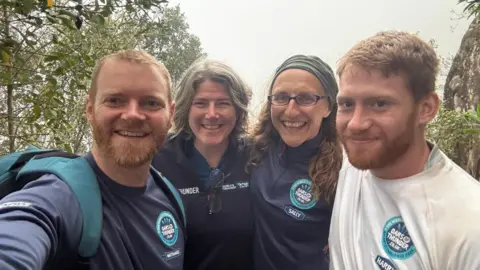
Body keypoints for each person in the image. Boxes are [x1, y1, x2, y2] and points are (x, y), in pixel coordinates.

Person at [0, 50, 185, 269]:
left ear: (171, 114)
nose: (133, 114)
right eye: (115, 100)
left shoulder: (169, 195)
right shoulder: (60, 197)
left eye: (151, 103)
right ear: (90, 109)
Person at [329, 30, 480, 269]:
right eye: (347, 104)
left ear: (426, 108)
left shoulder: (466, 223)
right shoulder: (355, 162)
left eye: (379, 104)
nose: (356, 124)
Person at [152, 59, 253, 270]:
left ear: (238, 109)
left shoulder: (255, 157)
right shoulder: (157, 159)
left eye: (223, 103)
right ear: (185, 108)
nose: (212, 114)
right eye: (201, 103)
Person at [247, 54, 343, 270]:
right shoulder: (254, 151)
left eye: (306, 98)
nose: (290, 111)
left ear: (328, 106)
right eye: (281, 97)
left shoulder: (345, 173)